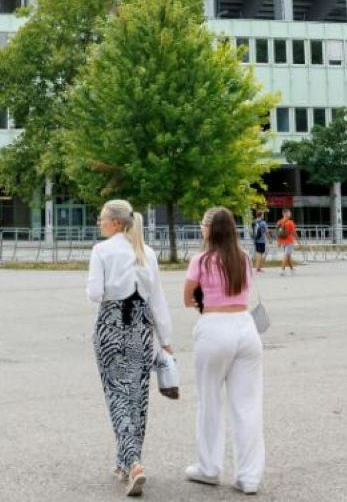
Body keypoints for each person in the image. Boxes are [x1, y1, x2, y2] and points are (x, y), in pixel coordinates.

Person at [85, 199, 172, 497]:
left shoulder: (101, 251)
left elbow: (94, 293)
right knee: (137, 397)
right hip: (141, 328)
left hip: (111, 326)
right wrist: (166, 340)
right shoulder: (147, 252)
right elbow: (158, 300)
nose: (99, 222)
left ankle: (133, 463)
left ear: (116, 223)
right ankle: (125, 463)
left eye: (102, 218)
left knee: (117, 395)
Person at [182, 208, 264, 495]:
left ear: (209, 229)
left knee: (210, 400)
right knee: (247, 405)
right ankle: (249, 476)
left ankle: (209, 467)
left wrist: (204, 299)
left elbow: (187, 298)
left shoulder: (201, 260)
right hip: (246, 327)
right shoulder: (243, 258)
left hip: (215, 328)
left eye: (203, 224)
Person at [275, 210, 298, 275]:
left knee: (288, 256)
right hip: (289, 241)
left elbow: (277, 232)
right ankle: (282, 270)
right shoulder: (290, 222)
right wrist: (298, 240)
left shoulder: (279, 222)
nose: (290, 214)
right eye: (289, 213)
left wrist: (278, 242)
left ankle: (292, 269)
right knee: (286, 255)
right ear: (286, 214)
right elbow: (294, 232)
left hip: (282, 241)